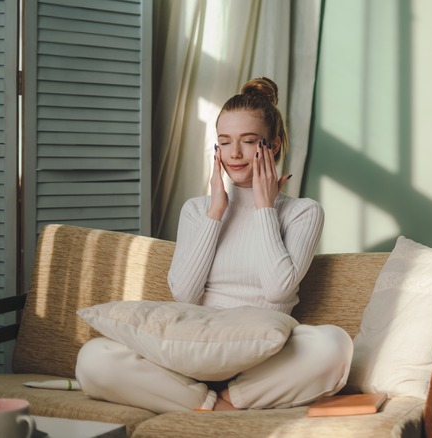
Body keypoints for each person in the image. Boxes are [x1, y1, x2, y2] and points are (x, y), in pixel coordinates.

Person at [76, 77, 352, 413]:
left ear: (274, 146)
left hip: (262, 361)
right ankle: (208, 403)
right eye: (224, 142)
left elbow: (278, 291)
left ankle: (229, 398)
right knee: (94, 359)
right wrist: (216, 213)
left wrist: (264, 208)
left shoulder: (302, 212)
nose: (234, 153)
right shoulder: (196, 210)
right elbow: (185, 295)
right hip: (192, 352)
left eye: (248, 142)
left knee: (333, 346)